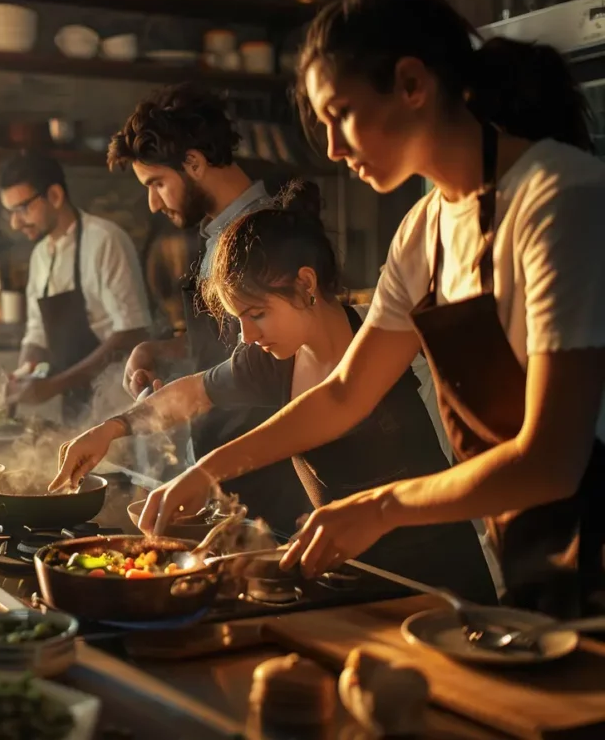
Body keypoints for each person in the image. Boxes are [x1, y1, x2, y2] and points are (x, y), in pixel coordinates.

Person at [139, 0, 605, 618]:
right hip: (524, 547)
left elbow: (551, 460)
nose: (330, 147)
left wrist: (382, 506)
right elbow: (342, 395)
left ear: (412, 84)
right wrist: (207, 470)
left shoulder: (555, 199)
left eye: (340, 115)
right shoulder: (425, 228)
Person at [52, 181, 497, 601]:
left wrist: (205, 473)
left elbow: (337, 406)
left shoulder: (383, 348)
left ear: (306, 285)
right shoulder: (274, 361)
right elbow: (192, 393)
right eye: (238, 318)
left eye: (257, 313)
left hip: (437, 582)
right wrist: (111, 429)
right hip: (353, 583)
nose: (247, 335)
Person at [107, 83, 309, 534]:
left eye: (157, 183)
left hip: (272, 480)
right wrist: (161, 350)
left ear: (194, 163)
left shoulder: (265, 234)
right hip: (229, 474)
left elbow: (264, 362)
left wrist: (129, 422)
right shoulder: (220, 235)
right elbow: (231, 339)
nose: (153, 202)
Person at [0, 152, 151, 423]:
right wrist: (22, 376)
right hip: (72, 403)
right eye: (11, 212)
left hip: (118, 402)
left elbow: (131, 332)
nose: (15, 223)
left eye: (23, 209)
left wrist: (53, 385)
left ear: (55, 196)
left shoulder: (104, 240)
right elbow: (37, 333)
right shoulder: (40, 255)